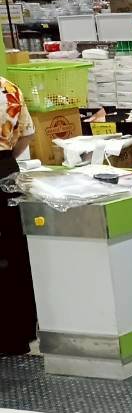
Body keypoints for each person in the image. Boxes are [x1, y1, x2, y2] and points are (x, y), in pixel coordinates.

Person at [0, 73, 37, 355]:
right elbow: (27, 135)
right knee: (13, 249)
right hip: (5, 169)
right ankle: (19, 334)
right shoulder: (7, 87)